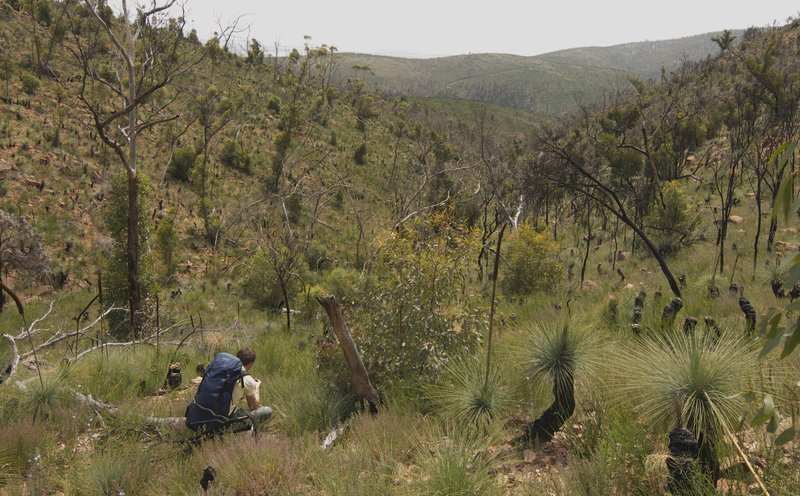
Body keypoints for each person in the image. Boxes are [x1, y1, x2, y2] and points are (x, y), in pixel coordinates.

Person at [230, 347, 272, 424]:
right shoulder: (246, 378)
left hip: (208, 415)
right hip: (226, 420)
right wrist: (256, 387)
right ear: (250, 363)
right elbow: (253, 406)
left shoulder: (224, 369)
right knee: (267, 411)